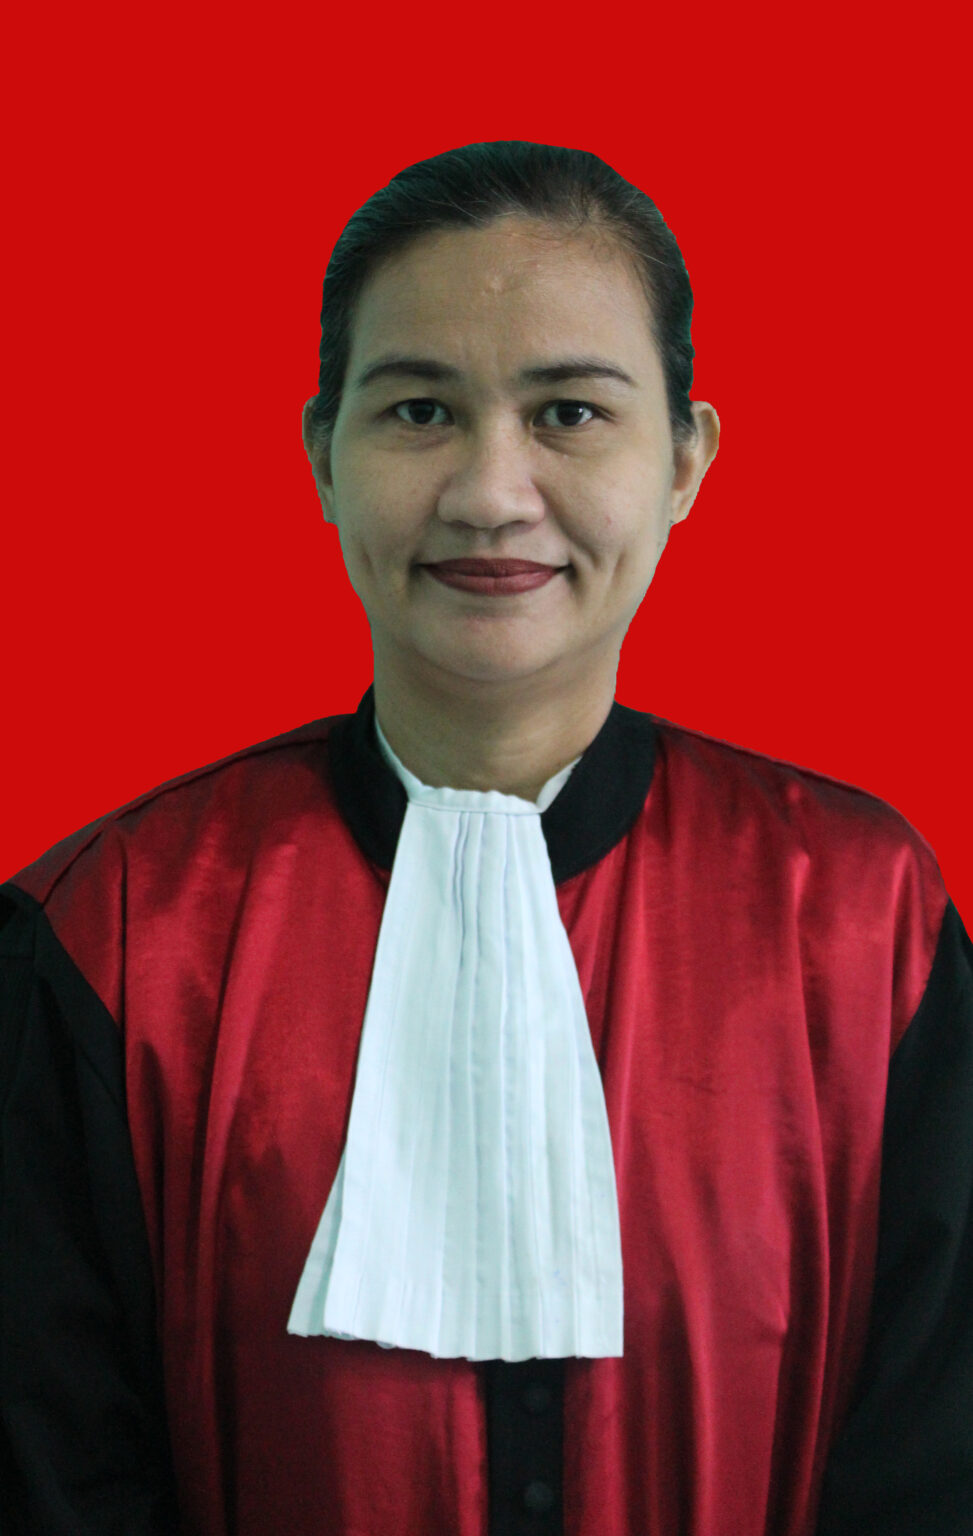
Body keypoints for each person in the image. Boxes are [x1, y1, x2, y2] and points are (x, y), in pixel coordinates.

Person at [1, 140, 970, 1536]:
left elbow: (934, 1461)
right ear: (321, 454)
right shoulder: (112, 934)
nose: (490, 492)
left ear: (685, 458)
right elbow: (53, 1474)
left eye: (569, 412)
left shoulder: (866, 918)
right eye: (418, 411)